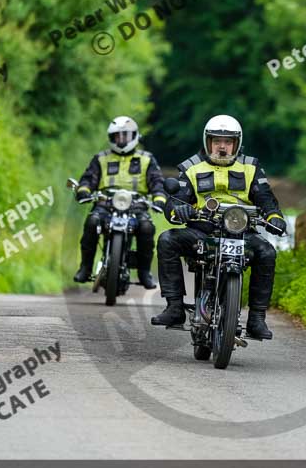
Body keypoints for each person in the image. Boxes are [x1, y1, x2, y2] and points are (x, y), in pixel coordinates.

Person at [151, 114, 286, 339]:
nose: (222, 147)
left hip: (241, 232)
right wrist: (178, 209)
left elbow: (265, 198)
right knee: (167, 240)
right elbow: (176, 200)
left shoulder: (251, 167)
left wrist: (274, 217)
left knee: (267, 252)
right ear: (208, 142)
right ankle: (174, 307)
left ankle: (256, 319)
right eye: (216, 141)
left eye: (227, 142)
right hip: (202, 231)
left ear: (237, 143)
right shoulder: (191, 167)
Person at [73, 116, 166, 289]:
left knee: (146, 227)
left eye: (126, 136)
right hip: (105, 203)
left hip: (136, 205)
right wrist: (83, 191)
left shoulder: (147, 159)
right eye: (118, 136)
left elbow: (157, 182)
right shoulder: (101, 158)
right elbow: (88, 179)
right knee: (92, 222)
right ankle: (85, 267)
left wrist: (159, 200)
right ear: (112, 138)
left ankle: (144, 272)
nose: (122, 140)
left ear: (135, 136)